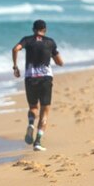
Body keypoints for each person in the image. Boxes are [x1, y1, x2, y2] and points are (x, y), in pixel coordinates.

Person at [12, 20, 64, 152]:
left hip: (30, 79)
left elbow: (15, 49)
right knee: (44, 112)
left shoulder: (27, 40)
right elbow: (60, 62)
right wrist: (55, 57)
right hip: (45, 79)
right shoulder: (50, 42)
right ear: (45, 29)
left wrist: (15, 67)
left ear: (33, 29)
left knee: (33, 107)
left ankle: (30, 124)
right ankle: (38, 142)